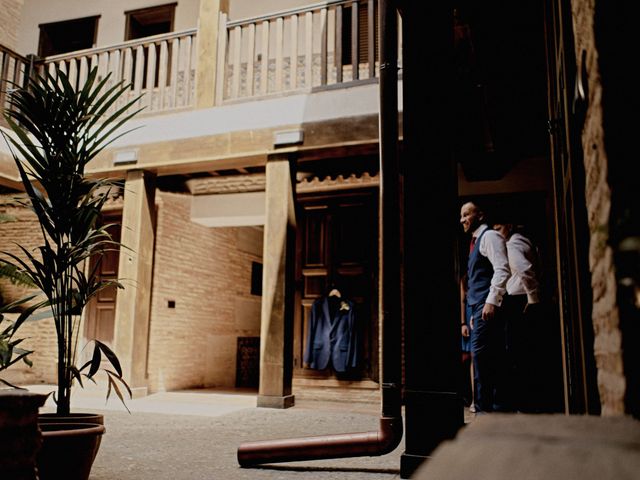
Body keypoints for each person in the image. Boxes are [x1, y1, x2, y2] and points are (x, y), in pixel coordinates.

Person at [460, 200, 511, 413]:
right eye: (461, 215)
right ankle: (490, 408)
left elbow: (502, 269)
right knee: (484, 358)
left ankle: (485, 410)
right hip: (477, 306)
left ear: (480, 215)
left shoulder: (489, 236)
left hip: (486, 304)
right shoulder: (474, 242)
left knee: (482, 359)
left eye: (466, 214)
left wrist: (490, 301)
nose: (462, 219)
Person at [493, 222, 542, 412]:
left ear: (509, 226)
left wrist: (533, 298)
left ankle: (523, 404)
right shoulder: (524, 241)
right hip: (521, 300)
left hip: (519, 301)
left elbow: (524, 269)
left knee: (518, 354)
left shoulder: (512, 244)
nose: (497, 234)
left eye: (499, 229)